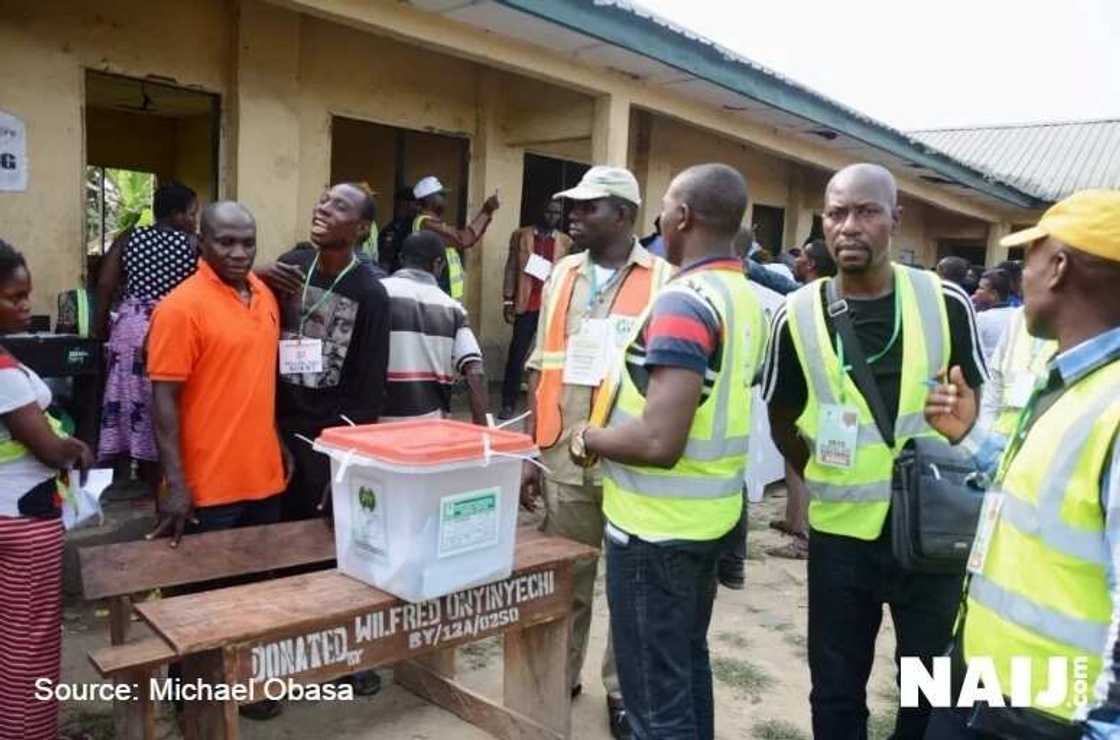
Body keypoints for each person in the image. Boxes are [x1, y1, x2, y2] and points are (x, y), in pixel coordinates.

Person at [761, 163, 988, 739]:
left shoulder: (945, 301)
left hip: (934, 531)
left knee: (931, 682)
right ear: (823, 222)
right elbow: (781, 415)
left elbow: (969, 404)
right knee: (836, 686)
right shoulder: (797, 314)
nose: (849, 227)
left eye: (866, 211)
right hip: (842, 536)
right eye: (837, 213)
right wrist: (818, 468)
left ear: (895, 220)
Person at [574, 164, 766, 740]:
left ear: (682, 216)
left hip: (654, 533)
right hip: (707, 521)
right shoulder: (744, 296)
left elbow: (659, 441)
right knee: (684, 669)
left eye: (663, 207)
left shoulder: (685, 300)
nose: (659, 218)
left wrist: (589, 437)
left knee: (654, 700)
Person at [922, 190, 1120, 739]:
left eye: (1027, 258)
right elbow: (1041, 502)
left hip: (1046, 715)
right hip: (982, 680)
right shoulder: (1072, 379)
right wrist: (971, 438)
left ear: (1057, 267)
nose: (1019, 275)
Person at [523, 166, 673, 739]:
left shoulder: (666, 279)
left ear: (624, 216)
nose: (574, 217)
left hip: (630, 455)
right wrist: (532, 451)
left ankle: (621, 690)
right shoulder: (561, 274)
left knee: (627, 589)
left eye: (589, 208)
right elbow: (543, 364)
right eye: (573, 208)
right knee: (569, 577)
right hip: (564, 451)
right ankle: (561, 677)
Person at [146, 201, 291, 720]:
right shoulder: (181, 307)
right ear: (200, 242)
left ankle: (245, 687)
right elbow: (162, 400)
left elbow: (256, 380)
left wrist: (275, 438)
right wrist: (176, 483)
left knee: (255, 591)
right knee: (199, 601)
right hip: (208, 484)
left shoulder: (264, 295)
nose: (238, 252)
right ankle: (190, 701)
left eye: (246, 242)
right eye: (225, 242)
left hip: (263, 478)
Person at [0, 240, 93, 740]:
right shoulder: (5, 375)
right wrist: (73, 450)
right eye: (14, 296)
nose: (23, 306)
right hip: (23, 522)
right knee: (27, 643)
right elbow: (47, 450)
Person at [273, 183, 391, 523]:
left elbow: (369, 391)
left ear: (361, 228)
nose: (323, 208)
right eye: (323, 200)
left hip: (325, 442)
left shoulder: (371, 294)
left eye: (339, 206)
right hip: (274, 431)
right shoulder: (290, 268)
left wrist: (346, 465)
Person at [94, 182, 198, 499]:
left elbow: (105, 285)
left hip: (131, 327)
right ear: (178, 215)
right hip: (171, 327)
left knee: (131, 400)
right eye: (192, 213)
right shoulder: (193, 245)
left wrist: (99, 332)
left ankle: (140, 474)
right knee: (169, 399)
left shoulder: (129, 238)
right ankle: (167, 477)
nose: (195, 219)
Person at [381, 231, 488, 423]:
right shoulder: (453, 309)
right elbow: (474, 371)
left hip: (377, 426)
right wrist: (484, 433)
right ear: (439, 264)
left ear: (401, 258)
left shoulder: (378, 294)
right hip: (433, 427)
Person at [499, 199, 572, 419]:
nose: (552, 216)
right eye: (549, 211)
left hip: (550, 307)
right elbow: (512, 267)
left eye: (556, 213)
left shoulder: (565, 241)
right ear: (541, 212)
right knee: (517, 354)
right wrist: (508, 300)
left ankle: (547, 404)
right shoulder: (521, 235)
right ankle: (508, 403)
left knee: (551, 357)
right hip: (526, 304)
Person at [412, 175, 500, 300]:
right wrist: (486, 210)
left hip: (443, 293)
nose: (445, 199)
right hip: (437, 294)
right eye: (441, 195)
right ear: (429, 200)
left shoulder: (431, 222)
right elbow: (464, 239)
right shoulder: (427, 224)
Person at [972, 268, 1016, 362]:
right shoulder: (1017, 314)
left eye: (981, 288)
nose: (976, 292)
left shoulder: (982, 318)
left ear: (993, 294)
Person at [378, 188, 416, 275]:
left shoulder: (417, 226)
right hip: (397, 276)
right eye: (415, 204)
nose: (418, 208)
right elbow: (385, 261)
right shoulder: (392, 229)